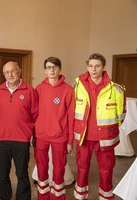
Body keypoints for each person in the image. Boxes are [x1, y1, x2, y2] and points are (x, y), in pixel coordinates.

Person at [73, 53, 126, 200]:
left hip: (106, 139)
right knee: (82, 169)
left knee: (106, 171)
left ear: (103, 67)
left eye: (97, 66)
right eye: (90, 66)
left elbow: (121, 115)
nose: (93, 69)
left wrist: (109, 130)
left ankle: (106, 197)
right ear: (87, 67)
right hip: (84, 137)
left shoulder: (115, 89)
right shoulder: (78, 86)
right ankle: (80, 196)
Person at [0, 61, 38, 200]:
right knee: (2, 173)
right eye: (6, 72)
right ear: (4, 74)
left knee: (22, 173)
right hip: (0, 139)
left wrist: (33, 136)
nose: (10, 74)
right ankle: (4, 197)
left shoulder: (30, 91)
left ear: (19, 71)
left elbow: (36, 115)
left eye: (13, 71)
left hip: (21, 139)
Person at [34, 57, 74, 199]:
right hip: (40, 136)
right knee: (42, 169)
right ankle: (43, 197)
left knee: (58, 170)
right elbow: (33, 113)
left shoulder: (68, 90)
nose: (51, 70)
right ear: (45, 70)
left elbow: (71, 117)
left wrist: (70, 141)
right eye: (49, 67)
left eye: (55, 67)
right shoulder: (38, 89)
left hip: (60, 136)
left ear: (60, 69)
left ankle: (58, 197)